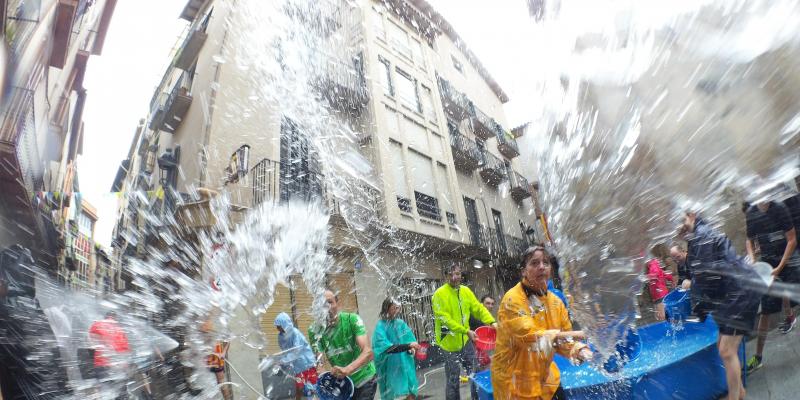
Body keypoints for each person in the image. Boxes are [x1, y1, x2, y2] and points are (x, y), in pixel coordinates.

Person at [491, 246, 592, 400]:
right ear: (523, 271)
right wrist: (582, 333)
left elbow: (565, 342)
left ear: (551, 269)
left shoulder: (556, 302)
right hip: (513, 388)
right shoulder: (512, 300)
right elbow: (531, 337)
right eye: (534, 263)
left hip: (547, 382)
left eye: (546, 263)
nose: (541, 267)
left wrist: (581, 350)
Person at [678, 212, 761, 400]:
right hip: (731, 296)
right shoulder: (696, 237)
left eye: (681, 221)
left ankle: (735, 397)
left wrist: (693, 290)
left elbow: (708, 278)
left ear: (691, 215)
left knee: (727, 350)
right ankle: (739, 392)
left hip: (741, 293)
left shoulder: (702, 236)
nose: (679, 228)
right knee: (722, 346)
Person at [744, 200, 799, 373]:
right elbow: (749, 240)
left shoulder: (780, 208)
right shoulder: (752, 212)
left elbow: (792, 239)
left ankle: (790, 316)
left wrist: (780, 267)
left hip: (788, 261)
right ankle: (758, 358)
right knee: (766, 311)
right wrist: (753, 259)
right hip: (768, 265)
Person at [432, 263, 496, 400]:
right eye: (451, 274)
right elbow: (445, 320)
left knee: (475, 373)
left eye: (458, 274)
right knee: (453, 379)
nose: (455, 277)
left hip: (465, 341)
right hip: (448, 344)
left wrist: (492, 322)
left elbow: (478, 308)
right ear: (446, 276)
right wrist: (465, 331)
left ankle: (477, 398)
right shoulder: (439, 294)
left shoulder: (466, 291)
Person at [309, 289, 377, 400]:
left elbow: (368, 352)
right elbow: (319, 357)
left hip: (364, 378)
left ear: (337, 304)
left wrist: (348, 369)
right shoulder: (314, 330)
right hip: (342, 384)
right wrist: (321, 371)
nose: (327, 307)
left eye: (330, 302)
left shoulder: (352, 320)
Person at [372, 297, 420, 400]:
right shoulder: (380, 327)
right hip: (391, 369)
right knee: (395, 395)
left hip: (405, 366)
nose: (396, 311)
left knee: (410, 393)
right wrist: (409, 346)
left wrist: (412, 349)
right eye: (394, 308)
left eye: (397, 308)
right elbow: (387, 349)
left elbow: (410, 340)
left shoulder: (400, 323)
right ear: (386, 309)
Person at [275, 312, 318, 400]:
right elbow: (285, 352)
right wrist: (283, 365)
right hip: (298, 367)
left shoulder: (295, 333)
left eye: (279, 325)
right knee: (299, 388)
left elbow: (296, 352)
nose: (277, 328)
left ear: (284, 324)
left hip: (308, 364)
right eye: (277, 326)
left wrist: (283, 361)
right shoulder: (280, 337)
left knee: (312, 388)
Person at [646, 245, 677, 321]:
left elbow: (655, 274)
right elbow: (664, 274)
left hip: (659, 294)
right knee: (666, 313)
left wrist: (645, 277)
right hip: (661, 293)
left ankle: (670, 326)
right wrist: (671, 280)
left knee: (661, 315)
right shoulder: (655, 264)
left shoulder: (653, 263)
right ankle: (673, 325)